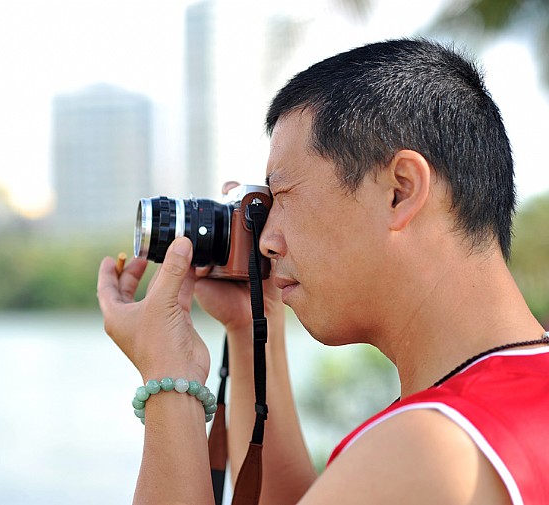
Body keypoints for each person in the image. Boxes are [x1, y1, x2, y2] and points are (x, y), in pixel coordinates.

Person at [97, 38, 549, 504]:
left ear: (400, 190)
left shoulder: (431, 447)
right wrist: (252, 325)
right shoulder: (502, 407)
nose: (267, 240)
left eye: (283, 196)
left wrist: (170, 377)